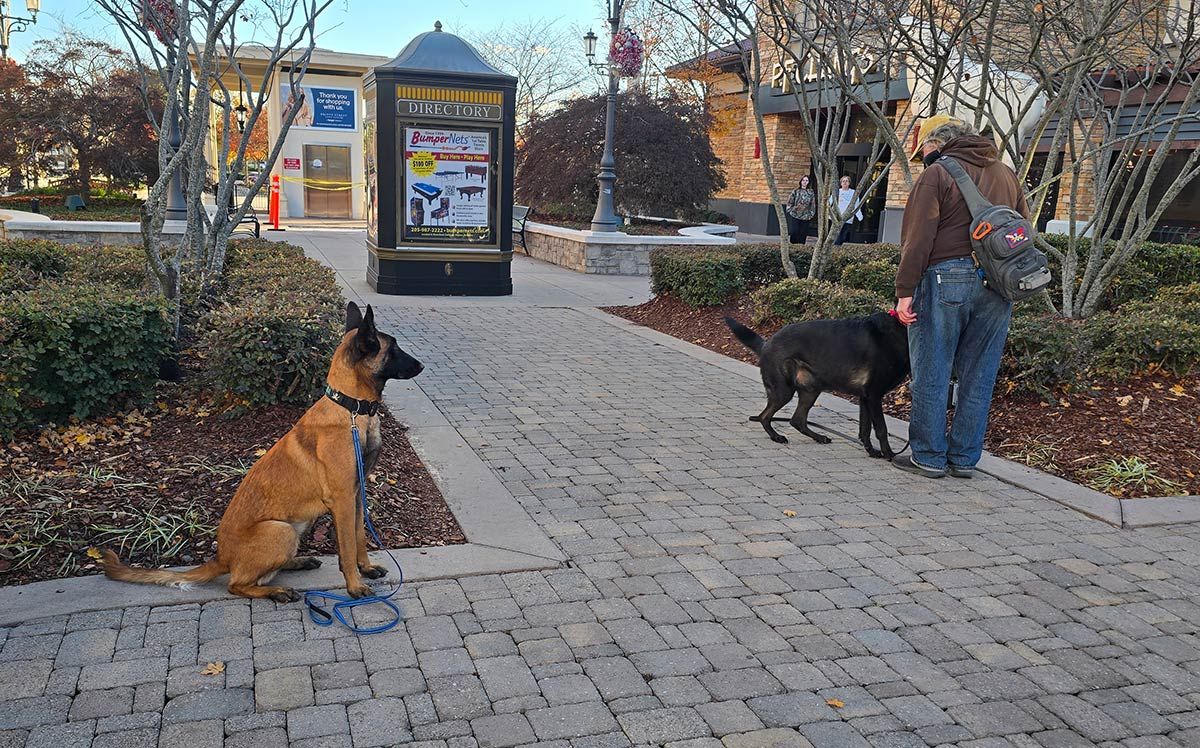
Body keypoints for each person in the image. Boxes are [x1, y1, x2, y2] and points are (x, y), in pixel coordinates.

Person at [892, 114, 1029, 479]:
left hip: (946, 277)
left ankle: (929, 456)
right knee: (979, 375)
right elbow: (1023, 230)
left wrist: (904, 292)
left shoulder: (938, 173)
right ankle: (965, 458)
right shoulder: (1006, 173)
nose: (923, 154)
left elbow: (917, 238)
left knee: (932, 369)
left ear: (937, 143)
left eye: (924, 148)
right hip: (999, 285)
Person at [785, 175, 816, 244]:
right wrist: (791, 209)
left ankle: (801, 247)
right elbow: (790, 202)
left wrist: (811, 214)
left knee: (803, 233)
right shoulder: (796, 191)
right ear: (801, 181)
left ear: (808, 182)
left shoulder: (811, 192)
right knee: (795, 231)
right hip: (795, 214)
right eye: (803, 180)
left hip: (806, 216)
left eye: (806, 180)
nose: (805, 182)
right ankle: (793, 245)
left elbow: (813, 204)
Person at [832, 176, 862, 245]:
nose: (845, 183)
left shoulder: (853, 192)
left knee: (843, 235)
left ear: (849, 183)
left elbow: (856, 204)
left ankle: (838, 247)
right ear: (841, 183)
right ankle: (836, 248)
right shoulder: (837, 191)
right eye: (843, 181)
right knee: (837, 235)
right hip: (837, 217)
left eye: (846, 181)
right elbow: (830, 202)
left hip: (848, 218)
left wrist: (859, 216)